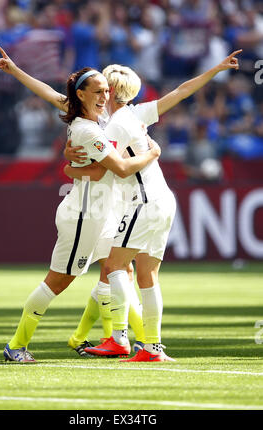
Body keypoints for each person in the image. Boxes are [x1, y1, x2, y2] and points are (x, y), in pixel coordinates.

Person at [0, 45, 160, 362]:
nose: (105, 96)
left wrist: (16, 71)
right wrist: (153, 153)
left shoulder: (98, 118)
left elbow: (48, 93)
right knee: (59, 281)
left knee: (121, 270)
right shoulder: (87, 130)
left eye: (106, 90)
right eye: (97, 91)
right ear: (82, 95)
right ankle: (16, 345)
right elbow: (121, 168)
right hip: (84, 215)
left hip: (102, 212)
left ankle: (141, 343)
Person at [78, 51, 242, 362]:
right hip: (163, 200)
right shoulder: (138, 114)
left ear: (109, 91)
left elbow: (110, 169)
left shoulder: (111, 127)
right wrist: (216, 69)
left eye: (102, 88)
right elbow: (181, 92)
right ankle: (152, 347)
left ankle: (118, 339)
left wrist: (76, 164)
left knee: (114, 266)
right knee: (147, 276)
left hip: (143, 201)